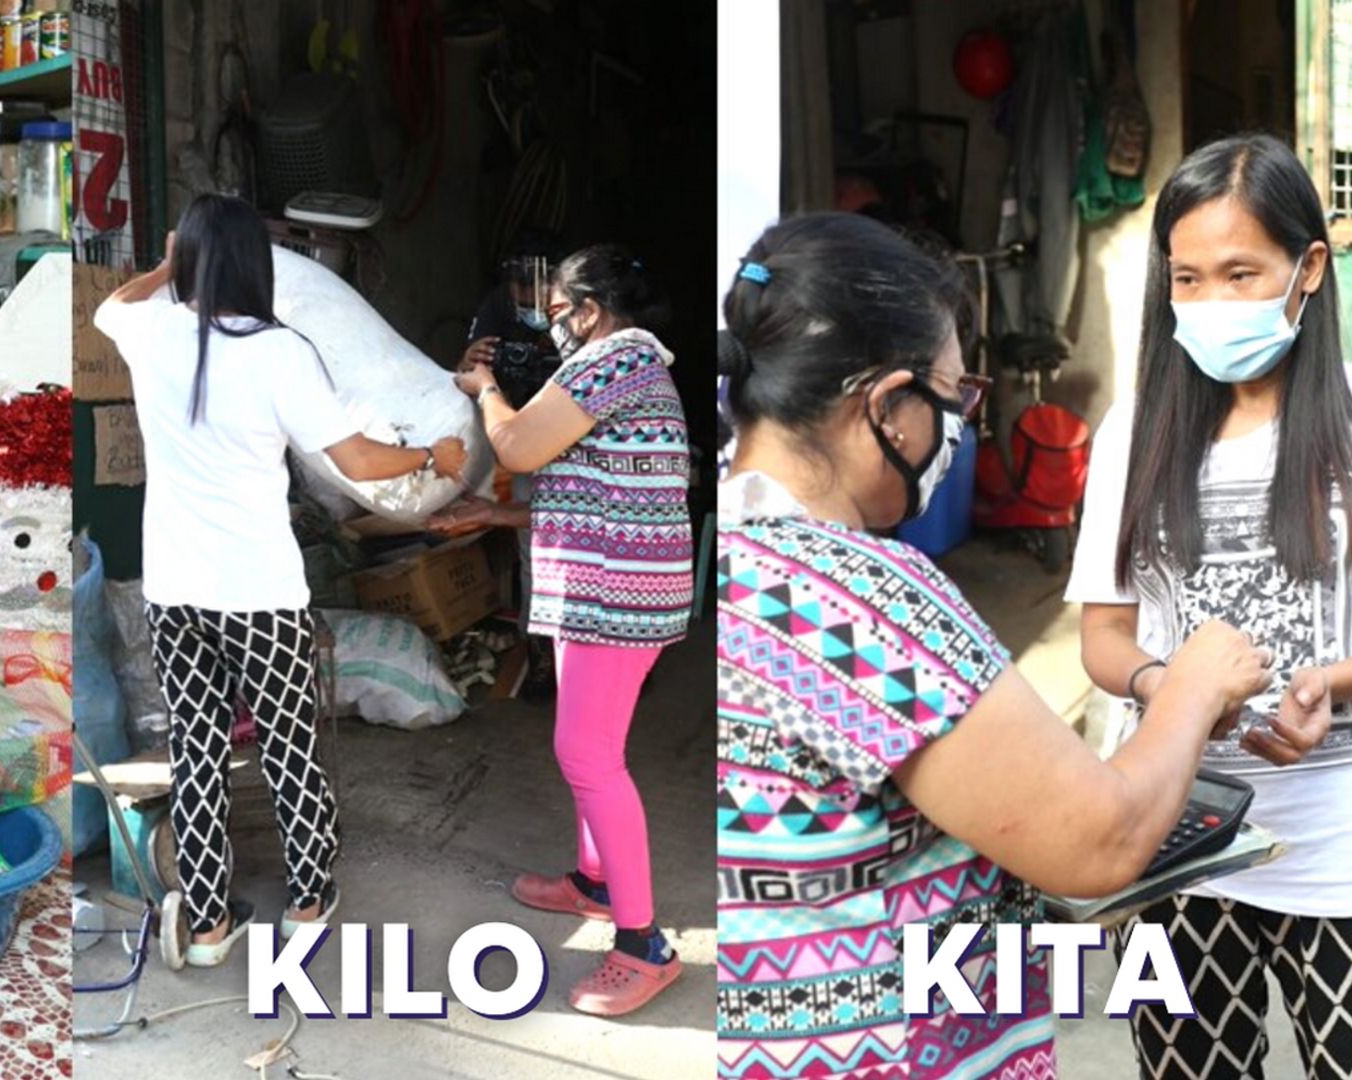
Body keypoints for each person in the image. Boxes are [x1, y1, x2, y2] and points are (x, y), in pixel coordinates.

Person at [716, 212, 1279, 1078]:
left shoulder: (721, 554)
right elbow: (1098, 842)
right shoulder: (865, 600)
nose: (961, 430)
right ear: (888, 408)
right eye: (955, 399)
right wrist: (1196, 685)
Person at [94, 193, 468, 967]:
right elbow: (358, 460)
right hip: (258, 593)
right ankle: (306, 904)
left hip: (175, 592)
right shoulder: (278, 351)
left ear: (191, 263)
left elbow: (112, 305)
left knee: (196, 752)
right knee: (288, 746)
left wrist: (165, 267)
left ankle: (205, 926)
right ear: (257, 267)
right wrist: (436, 457)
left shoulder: (154, 331)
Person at [1068, 133, 1352, 1078]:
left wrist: (1336, 684)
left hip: (1339, 853)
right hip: (1177, 843)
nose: (1212, 303)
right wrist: (1172, 684)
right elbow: (1105, 638)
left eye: (1242, 273)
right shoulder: (1135, 429)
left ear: (1308, 267)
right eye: (1188, 279)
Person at [451, 243, 692, 1016]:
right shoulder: (637, 366)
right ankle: (594, 883)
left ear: (590, 308)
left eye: (557, 312)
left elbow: (518, 445)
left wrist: (485, 387)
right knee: (595, 746)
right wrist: (495, 513)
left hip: (613, 595)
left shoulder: (610, 360)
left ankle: (645, 945)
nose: (551, 326)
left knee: (586, 754)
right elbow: (604, 484)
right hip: (616, 585)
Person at [436, 235, 563, 698]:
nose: (528, 299)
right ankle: (542, 659)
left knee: (591, 551)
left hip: (577, 443)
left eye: (539, 289)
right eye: (519, 288)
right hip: (520, 442)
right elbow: (465, 379)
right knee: (536, 551)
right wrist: (466, 365)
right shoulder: (496, 309)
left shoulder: (580, 314)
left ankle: (606, 659)